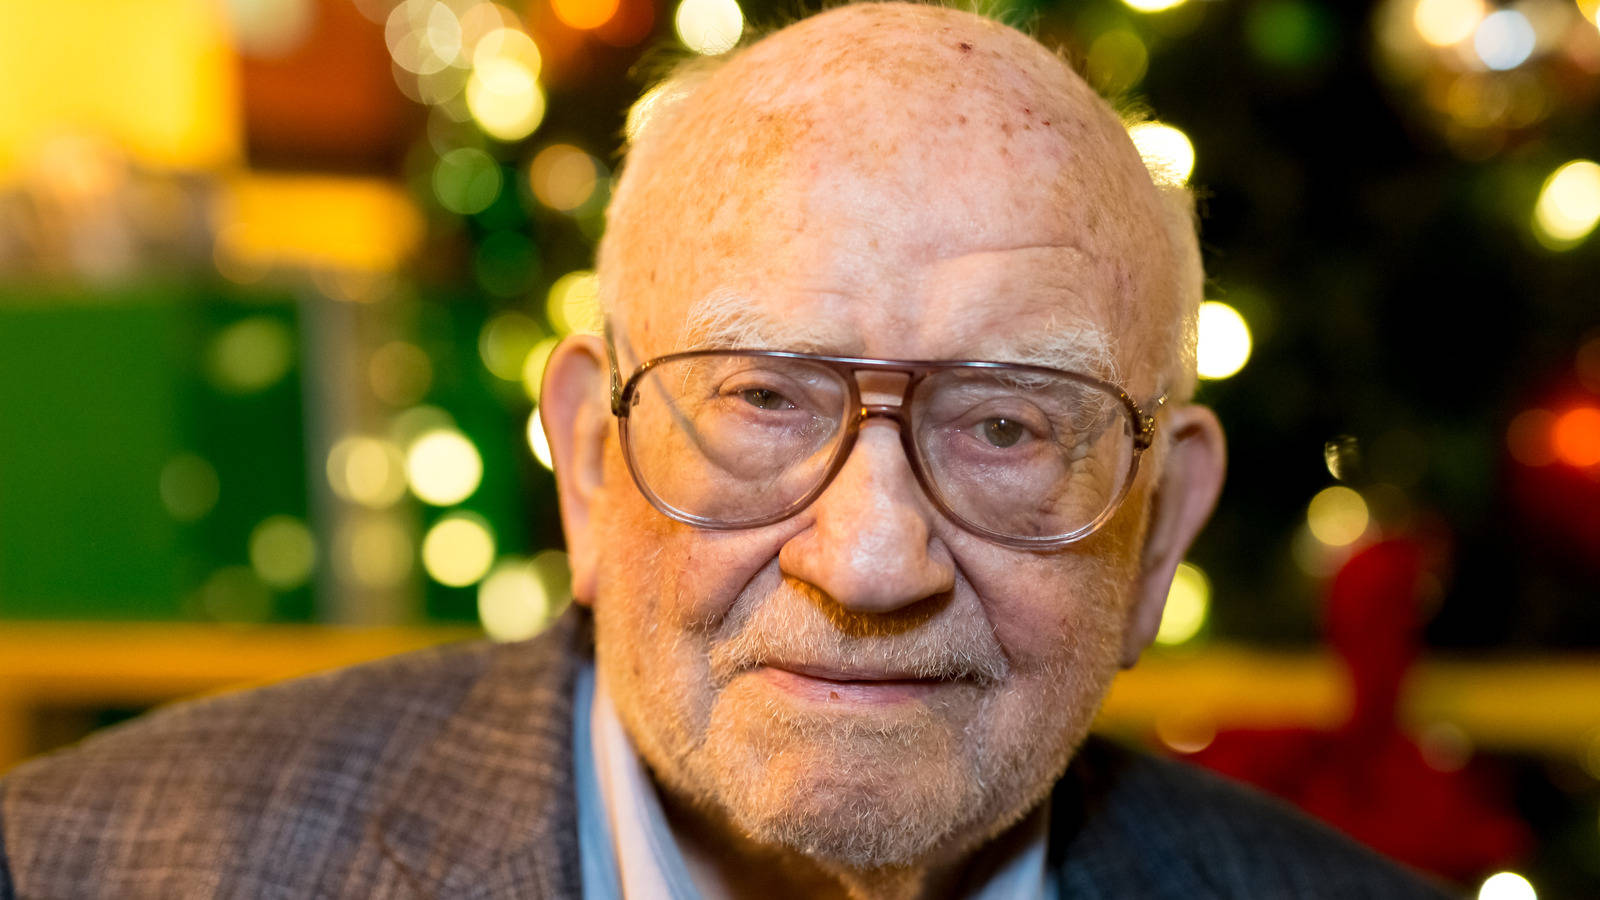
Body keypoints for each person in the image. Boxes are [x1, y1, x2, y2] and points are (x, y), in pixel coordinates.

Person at [0, 3, 1454, 897]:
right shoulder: (77, 874)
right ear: (584, 460)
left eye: (1008, 425)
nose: (874, 556)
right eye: (762, 399)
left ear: (1165, 524)